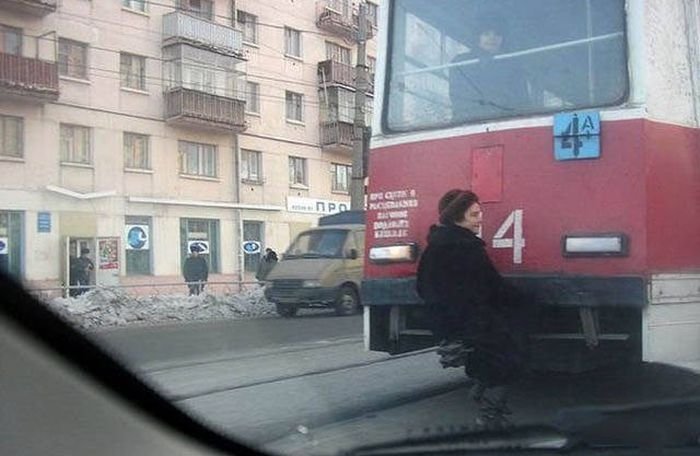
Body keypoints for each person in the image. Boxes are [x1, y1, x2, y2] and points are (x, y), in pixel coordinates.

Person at [416, 189, 527, 428]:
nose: (480, 219)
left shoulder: (434, 246)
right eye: (474, 215)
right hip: (474, 320)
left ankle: (481, 392)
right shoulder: (467, 247)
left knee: (487, 359)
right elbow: (493, 286)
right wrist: (525, 299)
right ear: (457, 217)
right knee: (509, 359)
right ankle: (489, 415)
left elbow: (422, 287)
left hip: (449, 322)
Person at [449, 14, 531, 123]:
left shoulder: (513, 65)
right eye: (486, 34)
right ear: (478, 37)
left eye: (497, 34)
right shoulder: (461, 62)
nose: (492, 38)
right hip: (469, 121)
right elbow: (458, 96)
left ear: (503, 38)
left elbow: (522, 99)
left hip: (508, 119)